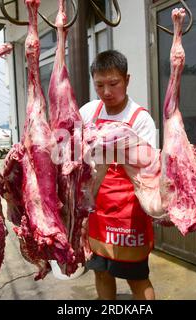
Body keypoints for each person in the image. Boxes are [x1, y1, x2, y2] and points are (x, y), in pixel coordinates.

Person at [79, 50, 157, 300]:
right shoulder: (89, 112)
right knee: (101, 274)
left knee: (137, 278)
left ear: (127, 80)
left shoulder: (140, 118)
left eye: (113, 83)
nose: (106, 92)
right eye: (99, 85)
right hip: (96, 209)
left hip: (129, 211)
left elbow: (148, 167)